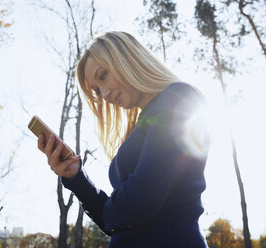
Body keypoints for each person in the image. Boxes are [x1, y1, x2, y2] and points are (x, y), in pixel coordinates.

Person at [37, 31, 211, 248]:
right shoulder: (143, 123)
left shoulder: (177, 99)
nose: (104, 94)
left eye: (102, 76)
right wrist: (75, 176)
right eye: (97, 91)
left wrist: (115, 210)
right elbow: (119, 220)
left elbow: (138, 204)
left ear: (126, 59)